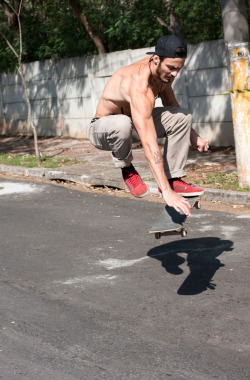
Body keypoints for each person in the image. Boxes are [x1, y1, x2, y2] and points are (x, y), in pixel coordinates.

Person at [89, 35, 209, 216]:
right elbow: (149, 143)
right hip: (103, 129)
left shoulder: (164, 73)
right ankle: (127, 168)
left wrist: (194, 136)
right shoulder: (139, 84)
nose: (175, 74)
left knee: (182, 116)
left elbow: (173, 107)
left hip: (132, 123)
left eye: (179, 69)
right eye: (171, 68)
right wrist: (166, 194)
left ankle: (173, 178)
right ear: (155, 59)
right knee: (123, 122)